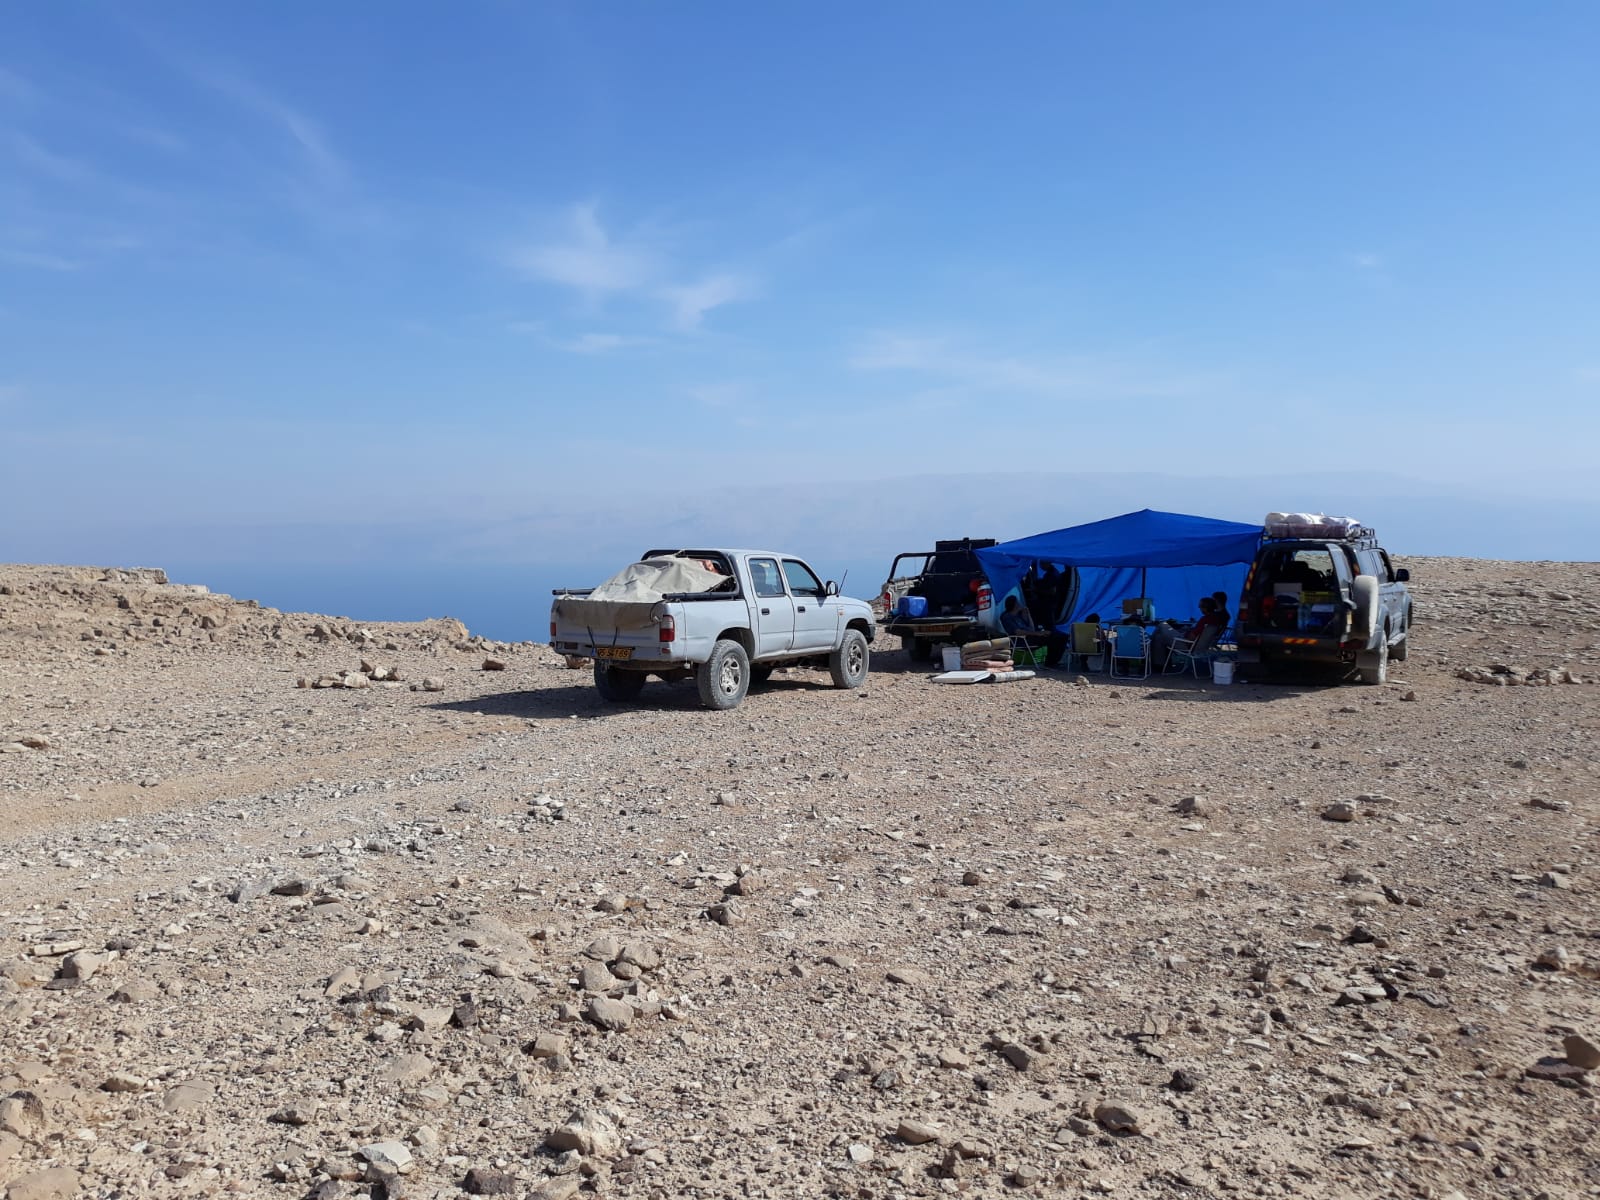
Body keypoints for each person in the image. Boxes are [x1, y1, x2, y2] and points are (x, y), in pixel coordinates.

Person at [1151, 597, 1227, 670]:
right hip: (1197, 645)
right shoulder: (1215, 619)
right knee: (1159, 637)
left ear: (1205, 608)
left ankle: (1149, 653)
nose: (1199, 608)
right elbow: (1200, 633)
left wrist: (1183, 634)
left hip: (1186, 644)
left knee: (1161, 624)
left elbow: (1191, 638)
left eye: (1200, 606)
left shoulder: (1205, 620)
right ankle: (1159, 664)